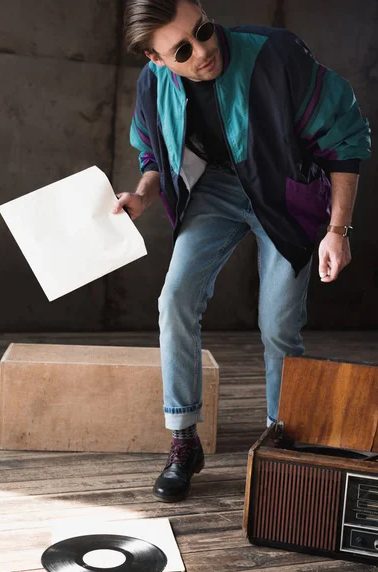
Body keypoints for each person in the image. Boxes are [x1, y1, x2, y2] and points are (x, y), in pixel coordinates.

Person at [114, 0, 371, 503]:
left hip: (284, 193)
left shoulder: (277, 54)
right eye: (182, 49)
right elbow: (154, 154)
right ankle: (185, 440)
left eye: (204, 30)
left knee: (278, 324)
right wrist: (143, 195)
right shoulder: (154, 85)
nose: (204, 51)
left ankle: (282, 441)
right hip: (213, 190)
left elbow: (345, 138)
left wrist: (337, 230)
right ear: (155, 59)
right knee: (175, 300)